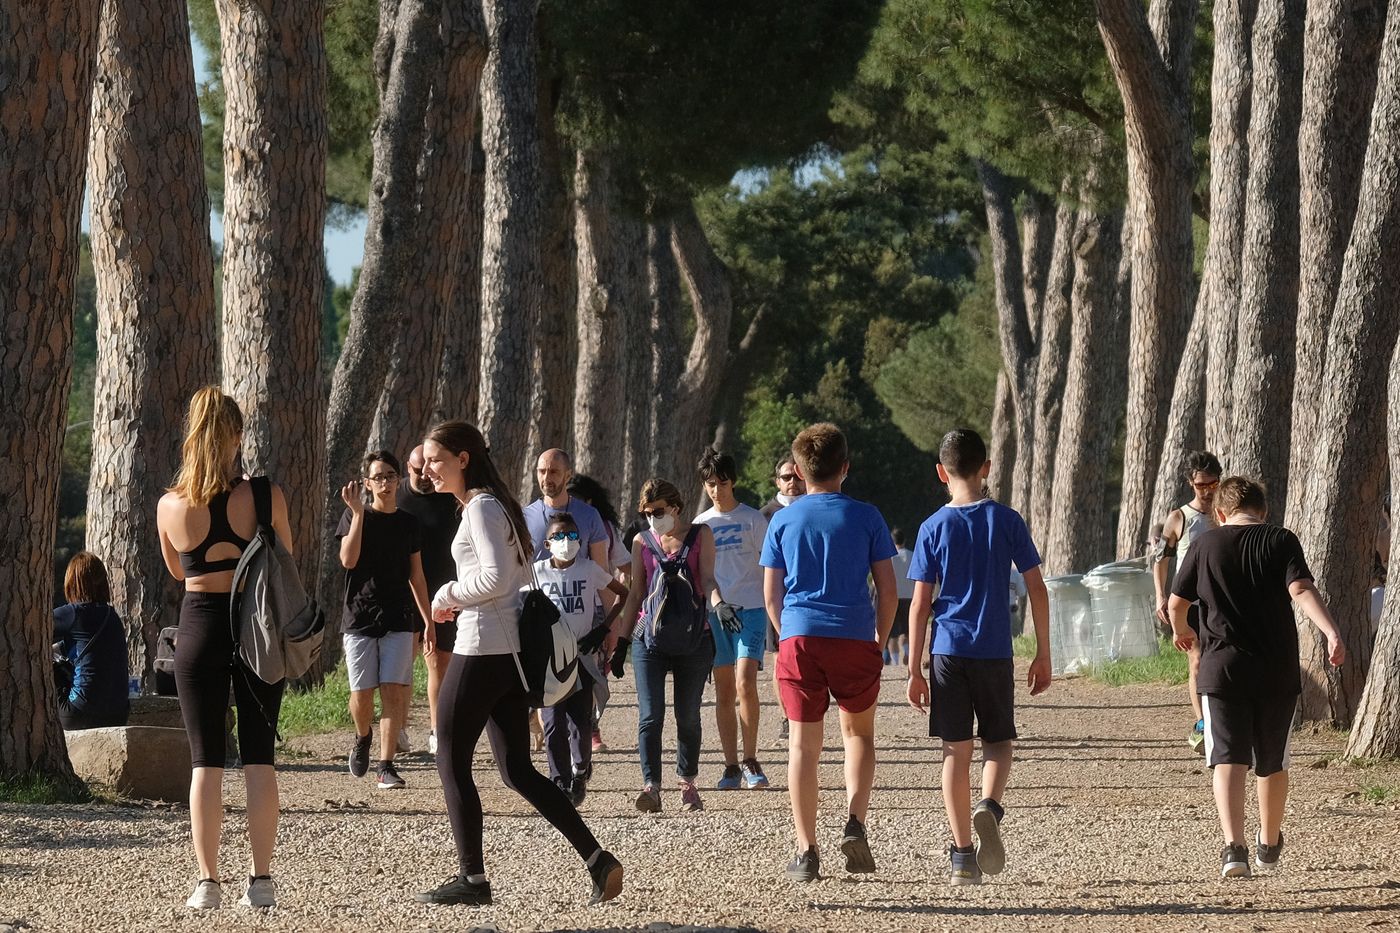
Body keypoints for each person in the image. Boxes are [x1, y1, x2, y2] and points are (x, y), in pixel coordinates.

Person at [415, 421, 622, 907]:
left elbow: (495, 576)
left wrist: (447, 594)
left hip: (482, 648)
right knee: (516, 770)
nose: (427, 469)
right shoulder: (493, 504)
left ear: (463, 458)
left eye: (435, 460)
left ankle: (473, 880)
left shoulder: (483, 506)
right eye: (424, 462)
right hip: (506, 657)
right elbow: (518, 574)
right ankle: (598, 860)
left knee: (450, 759)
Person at [1167, 476, 1345, 879]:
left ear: (1220, 512)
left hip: (1221, 670)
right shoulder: (1282, 540)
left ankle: (1234, 848)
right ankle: (1269, 839)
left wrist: (1182, 631)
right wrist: (1331, 631)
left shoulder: (1204, 544)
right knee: (1272, 759)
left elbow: (1177, 603)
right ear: (1263, 512)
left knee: (1227, 757)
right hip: (1276, 669)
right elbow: (1300, 589)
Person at [157, 387, 292, 909]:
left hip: (198, 628)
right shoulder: (265, 496)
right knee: (260, 758)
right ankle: (260, 882)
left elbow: (177, 570)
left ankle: (206, 882)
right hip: (255, 628)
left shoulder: (171, 505)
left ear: (192, 438)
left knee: (205, 761)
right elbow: (284, 559)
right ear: (236, 436)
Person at [906, 428, 1051, 887]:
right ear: (986, 468)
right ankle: (990, 803)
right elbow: (1036, 588)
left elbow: (919, 604)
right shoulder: (1008, 520)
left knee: (955, 751)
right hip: (994, 649)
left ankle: (963, 855)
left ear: (940, 473)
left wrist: (913, 668)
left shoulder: (932, 527)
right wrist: (1044, 652)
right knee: (998, 741)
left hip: (947, 649)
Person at [761, 423, 898, 882]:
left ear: (798, 471)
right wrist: (878, 640)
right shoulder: (868, 516)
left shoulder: (782, 519)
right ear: (845, 467)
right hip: (855, 636)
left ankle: (806, 851)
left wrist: (787, 635)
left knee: (803, 745)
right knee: (858, 735)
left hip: (800, 636)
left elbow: (770, 596)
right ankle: (855, 822)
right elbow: (888, 589)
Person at [610, 477, 727, 814]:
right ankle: (652, 786)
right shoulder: (641, 542)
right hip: (651, 638)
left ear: (675, 507)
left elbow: (707, 579)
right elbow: (635, 593)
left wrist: (720, 605)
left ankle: (687, 783)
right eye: (646, 513)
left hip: (695, 636)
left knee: (688, 716)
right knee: (651, 716)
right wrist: (622, 642)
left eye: (658, 511)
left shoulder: (701, 535)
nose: (652, 519)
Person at [337, 450, 434, 790]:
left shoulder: (409, 524)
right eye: (378, 477)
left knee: (393, 692)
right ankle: (363, 736)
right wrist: (358, 512)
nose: (386, 483)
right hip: (360, 617)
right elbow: (348, 560)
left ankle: (386, 765)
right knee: (362, 695)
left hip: (398, 617)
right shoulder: (354, 517)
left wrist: (428, 621)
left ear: (399, 479)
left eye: (391, 476)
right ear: (367, 483)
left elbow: (417, 576)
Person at [533, 512, 628, 805]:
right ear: (547, 544)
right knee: (552, 722)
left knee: (580, 721)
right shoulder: (536, 573)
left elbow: (622, 594)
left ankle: (581, 767)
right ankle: (559, 782)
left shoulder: (589, 569)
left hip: (583, 657)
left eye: (572, 536)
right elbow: (519, 606)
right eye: (559, 536)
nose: (566, 542)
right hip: (550, 662)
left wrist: (603, 628)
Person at [694, 446, 771, 790]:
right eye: (710, 483)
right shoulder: (700, 524)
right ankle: (730, 766)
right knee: (723, 689)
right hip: (715, 615)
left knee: (745, 682)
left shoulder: (754, 519)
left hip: (751, 610)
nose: (716, 489)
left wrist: (773, 607)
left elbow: (771, 567)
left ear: (733, 482)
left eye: (722, 482)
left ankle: (751, 757)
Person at [1152, 450, 1223, 754]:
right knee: (1196, 659)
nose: (1207, 492)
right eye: (1201, 486)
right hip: (1190, 601)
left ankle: (1223, 718)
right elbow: (1160, 559)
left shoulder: (1226, 514)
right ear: (1190, 484)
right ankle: (1202, 724)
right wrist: (1160, 594)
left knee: (1219, 661)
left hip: (1221, 600)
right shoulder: (1180, 517)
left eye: (1212, 485)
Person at [397, 444, 461, 755]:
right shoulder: (395, 498)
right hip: (403, 593)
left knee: (439, 661)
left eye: (428, 469)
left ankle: (438, 730)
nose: (424, 476)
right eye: (416, 470)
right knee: (401, 664)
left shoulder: (450, 498)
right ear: (405, 469)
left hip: (444, 592)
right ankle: (397, 728)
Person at [567, 473, 631, 753]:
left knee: (590, 672)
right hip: (558, 610)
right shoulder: (550, 524)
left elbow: (626, 566)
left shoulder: (604, 528)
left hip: (594, 610)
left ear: (589, 502)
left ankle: (590, 730)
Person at [52, 551, 129, 730]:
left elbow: (32, 630)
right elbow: (85, 649)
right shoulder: (112, 615)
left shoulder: (73, 613)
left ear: (71, 582)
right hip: (119, 715)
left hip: (79, 712)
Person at [761, 456, 806, 739]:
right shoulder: (764, 515)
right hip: (777, 596)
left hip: (808, 598)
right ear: (777, 481)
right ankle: (786, 715)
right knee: (781, 659)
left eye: (796, 476)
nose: (792, 482)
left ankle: (806, 713)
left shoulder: (815, 507)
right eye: (786, 477)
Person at [524, 449, 610, 566]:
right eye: (542, 471)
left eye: (553, 472)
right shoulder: (525, 517)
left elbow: (601, 572)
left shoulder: (590, 515)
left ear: (568, 475)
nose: (546, 478)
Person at [886, 529, 916, 666]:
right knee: (908, 631)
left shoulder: (889, 557)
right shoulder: (912, 556)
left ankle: (894, 662)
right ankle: (908, 654)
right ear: (904, 540)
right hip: (910, 597)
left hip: (893, 598)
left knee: (893, 635)